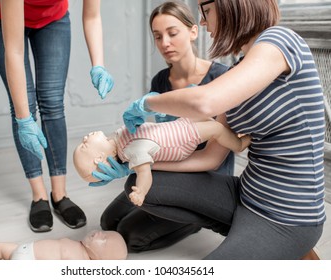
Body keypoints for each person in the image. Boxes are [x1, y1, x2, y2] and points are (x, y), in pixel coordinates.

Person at [120, 0, 325, 260]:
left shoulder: (280, 40)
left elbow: (204, 101)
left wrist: (145, 103)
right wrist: (139, 163)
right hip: (247, 194)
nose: (203, 21)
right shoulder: (238, 69)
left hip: (287, 217)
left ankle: (282, 244)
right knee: (140, 185)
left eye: (205, 11)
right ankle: (252, 238)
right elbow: (211, 158)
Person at [93, 1, 237, 252]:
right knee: (109, 221)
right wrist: (125, 155)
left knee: (131, 237)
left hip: (205, 175)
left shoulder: (221, 79)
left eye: (172, 33)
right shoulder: (161, 80)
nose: (165, 43)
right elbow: (156, 140)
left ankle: (196, 218)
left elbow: (213, 159)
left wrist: (136, 167)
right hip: (169, 169)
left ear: (193, 32)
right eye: (158, 37)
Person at [0, 0, 114, 232]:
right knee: (24, 106)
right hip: (2, 18)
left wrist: (99, 65)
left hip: (53, 20)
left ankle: (60, 195)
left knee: (53, 104)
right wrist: (24, 120)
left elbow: (92, 16)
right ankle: (39, 196)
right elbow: (13, 51)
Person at [73, 117, 250, 206]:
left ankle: (236, 130)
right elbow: (145, 174)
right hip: (181, 140)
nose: (84, 138)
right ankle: (239, 144)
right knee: (216, 128)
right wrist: (140, 192)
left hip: (178, 125)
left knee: (205, 116)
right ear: (99, 158)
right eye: (84, 146)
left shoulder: (118, 138)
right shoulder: (132, 151)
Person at [0, 230, 127, 260]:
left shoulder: (80, 262)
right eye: (104, 231)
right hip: (23, 250)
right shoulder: (78, 245)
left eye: (105, 240)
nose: (101, 233)